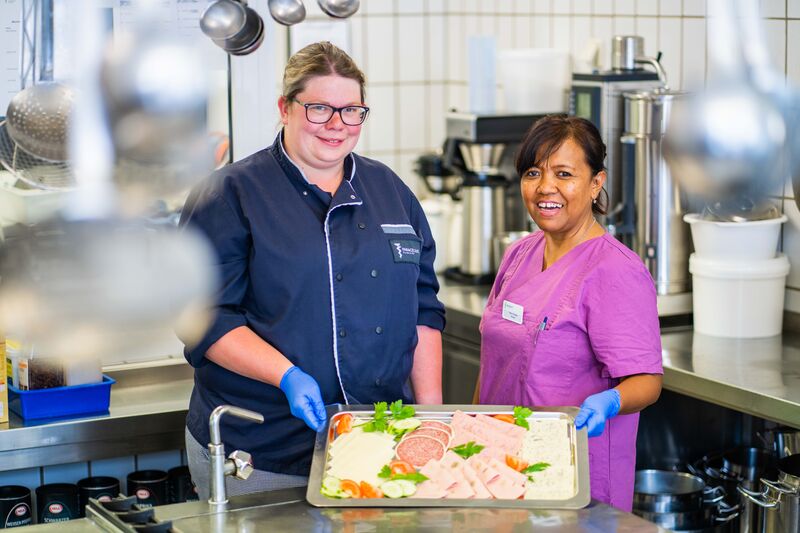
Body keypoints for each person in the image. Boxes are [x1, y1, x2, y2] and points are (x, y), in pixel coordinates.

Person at [179, 41, 445, 498]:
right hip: (263, 448)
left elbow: (422, 308)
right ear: (286, 108)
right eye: (320, 108)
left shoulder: (390, 191)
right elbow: (202, 318)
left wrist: (432, 417)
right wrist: (286, 375)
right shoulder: (231, 194)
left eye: (352, 111)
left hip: (379, 442)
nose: (337, 125)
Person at [477, 115, 662, 511]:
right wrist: (473, 435)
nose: (545, 188)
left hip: (573, 475)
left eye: (564, 174)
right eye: (533, 172)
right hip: (501, 468)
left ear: (596, 183)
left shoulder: (615, 271)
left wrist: (611, 401)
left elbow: (647, 380)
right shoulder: (519, 253)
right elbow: (493, 362)